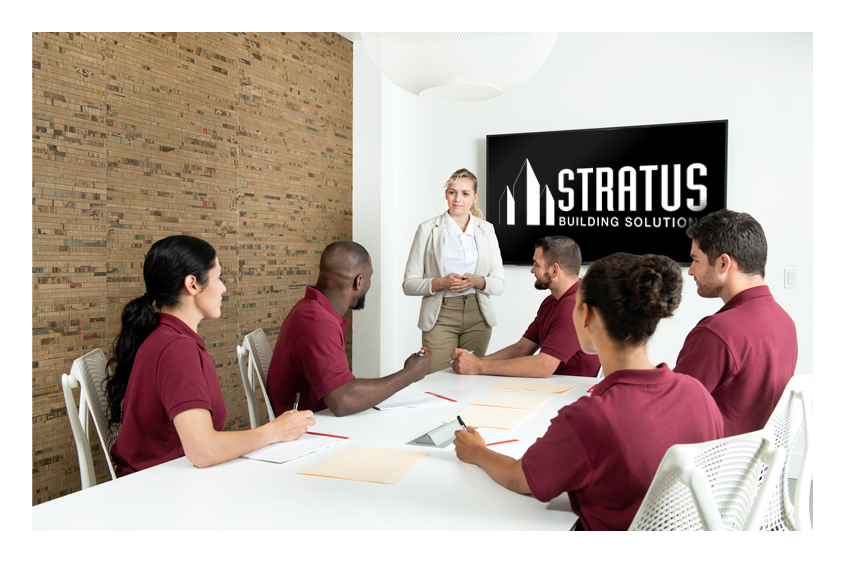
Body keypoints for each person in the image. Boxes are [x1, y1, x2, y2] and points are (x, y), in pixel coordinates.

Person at [454, 252, 724, 531]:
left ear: (588, 315)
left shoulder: (590, 418)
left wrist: (477, 452)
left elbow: (519, 479)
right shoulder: (698, 394)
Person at [107, 235, 315, 477]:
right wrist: (275, 431)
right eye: (218, 277)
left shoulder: (163, 335)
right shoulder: (177, 348)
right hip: (161, 489)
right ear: (192, 284)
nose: (223, 287)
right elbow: (203, 451)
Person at [268, 241, 431, 417]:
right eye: (370, 277)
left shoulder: (311, 309)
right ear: (359, 281)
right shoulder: (319, 324)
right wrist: (409, 374)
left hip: (313, 419)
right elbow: (343, 400)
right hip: (306, 430)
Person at [675, 209, 798, 436]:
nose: (691, 271)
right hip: (756, 467)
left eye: (695, 260)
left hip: (708, 465)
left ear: (723, 263)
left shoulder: (717, 332)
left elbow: (671, 410)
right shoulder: (786, 322)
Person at [451, 236, 600, 378]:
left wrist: (477, 367)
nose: (532, 270)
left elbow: (544, 366)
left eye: (536, 264)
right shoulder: (551, 302)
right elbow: (522, 348)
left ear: (555, 270)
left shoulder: (574, 305)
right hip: (553, 386)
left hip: (572, 393)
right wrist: (477, 362)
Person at [402, 168, 506, 374]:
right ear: (446, 194)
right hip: (440, 315)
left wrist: (476, 281)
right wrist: (442, 283)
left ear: (475, 197)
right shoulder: (427, 229)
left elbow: (499, 284)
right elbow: (409, 284)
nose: (458, 199)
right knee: (437, 379)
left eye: (465, 193)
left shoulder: (487, 230)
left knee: (472, 378)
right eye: (452, 192)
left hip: (478, 314)